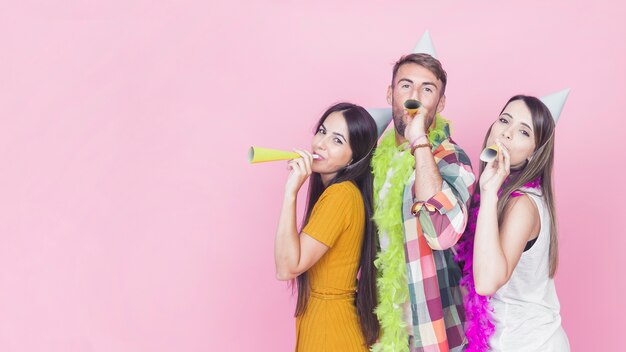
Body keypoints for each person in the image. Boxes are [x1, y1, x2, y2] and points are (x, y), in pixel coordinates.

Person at [371, 52, 475, 351]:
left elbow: (442, 234)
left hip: (432, 330)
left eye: (427, 89)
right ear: (391, 93)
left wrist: (419, 141)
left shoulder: (452, 159)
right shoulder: (377, 158)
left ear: (440, 103)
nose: (414, 97)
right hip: (384, 331)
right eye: (406, 86)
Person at [455, 95, 570, 351]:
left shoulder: (522, 205)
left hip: (531, 343)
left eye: (523, 132)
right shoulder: (498, 193)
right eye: (504, 120)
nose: (506, 133)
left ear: (534, 154)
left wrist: (488, 194)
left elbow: (486, 283)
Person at [274, 102, 380, 351]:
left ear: (354, 156)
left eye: (337, 140)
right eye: (322, 131)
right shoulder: (344, 194)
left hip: (330, 332)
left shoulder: (341, 196)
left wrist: (290, 193)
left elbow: (287, 267)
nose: (320, 143)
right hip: (329, 324)